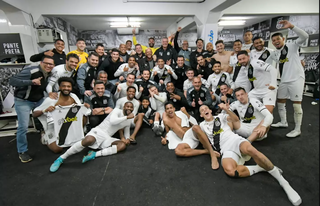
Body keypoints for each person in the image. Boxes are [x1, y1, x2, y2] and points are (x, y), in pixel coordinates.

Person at [192, 104, 302, 206]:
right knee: (231, 171)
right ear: (201, 115)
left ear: (210, 110)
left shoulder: (221, 116)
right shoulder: (201, 125)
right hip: (225, 149)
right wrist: (210, 151)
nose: (204, 110)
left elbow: (235, 120)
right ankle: (260, 168)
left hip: (234, 140)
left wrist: (226, 109)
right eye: (202, 110)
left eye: (206, 108)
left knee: (253, 151)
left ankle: (283, 182)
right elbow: (201, 138)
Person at [49, 102, 135, 173]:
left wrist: (127, 139)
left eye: (131, 107)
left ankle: (94, 154)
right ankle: (61, 158)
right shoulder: (117, 111)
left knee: (122, 146)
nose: (129, 108)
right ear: (124, 106)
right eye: (127, 106)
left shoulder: (128, 120)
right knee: (88, 140)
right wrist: (126, 117)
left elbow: (127, 131)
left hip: (107, 137)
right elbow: (113, 121)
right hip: (98, 131)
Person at [9, 56, 55, 163]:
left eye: (51, 64)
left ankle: (46, 135)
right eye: (46, 63)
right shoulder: (31, 70)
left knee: (53, 109)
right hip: (23, 101)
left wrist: (51, 93)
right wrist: (31, 82)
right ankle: (22, 151)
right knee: (23, 127)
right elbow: (12, 80)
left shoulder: (49, 73)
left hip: (38, 100)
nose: (49, 66)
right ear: (41, 62)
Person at [269, 20, 309, 138]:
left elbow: (305, 36)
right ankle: (283, 122)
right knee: (280, 102)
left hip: (296, 79)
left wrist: (292, 26)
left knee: (296, 105)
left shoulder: (292, 46)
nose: (276, 42)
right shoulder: (275, 53)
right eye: (274, 40)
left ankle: (297, 129)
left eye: (278, 39)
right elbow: (264, 63)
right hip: (283, 80)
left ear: (283, 39)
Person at [33, 77, 89, 153]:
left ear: (71, 88)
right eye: (63, 86)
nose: (66, 88)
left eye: (68, 86)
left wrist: (84, 106)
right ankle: (45, 136)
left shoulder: (74, 97)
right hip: (54, 128)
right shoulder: (52, 99)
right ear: (59, 87)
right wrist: (45, 110)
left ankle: (74, 134)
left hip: (68, 124)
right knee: (57, 149)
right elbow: (34, 114)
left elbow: (80, 110)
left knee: (84, 117)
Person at [237, 50, 278, 114]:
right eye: (240, 59)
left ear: (248, 56)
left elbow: (272, 69)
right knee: (244, 105)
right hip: (256, 90)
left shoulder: (255, 62)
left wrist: (273, 83)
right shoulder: (245, 68)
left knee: (267, 113)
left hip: (267, 90)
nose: (242, 61)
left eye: (243, 58)